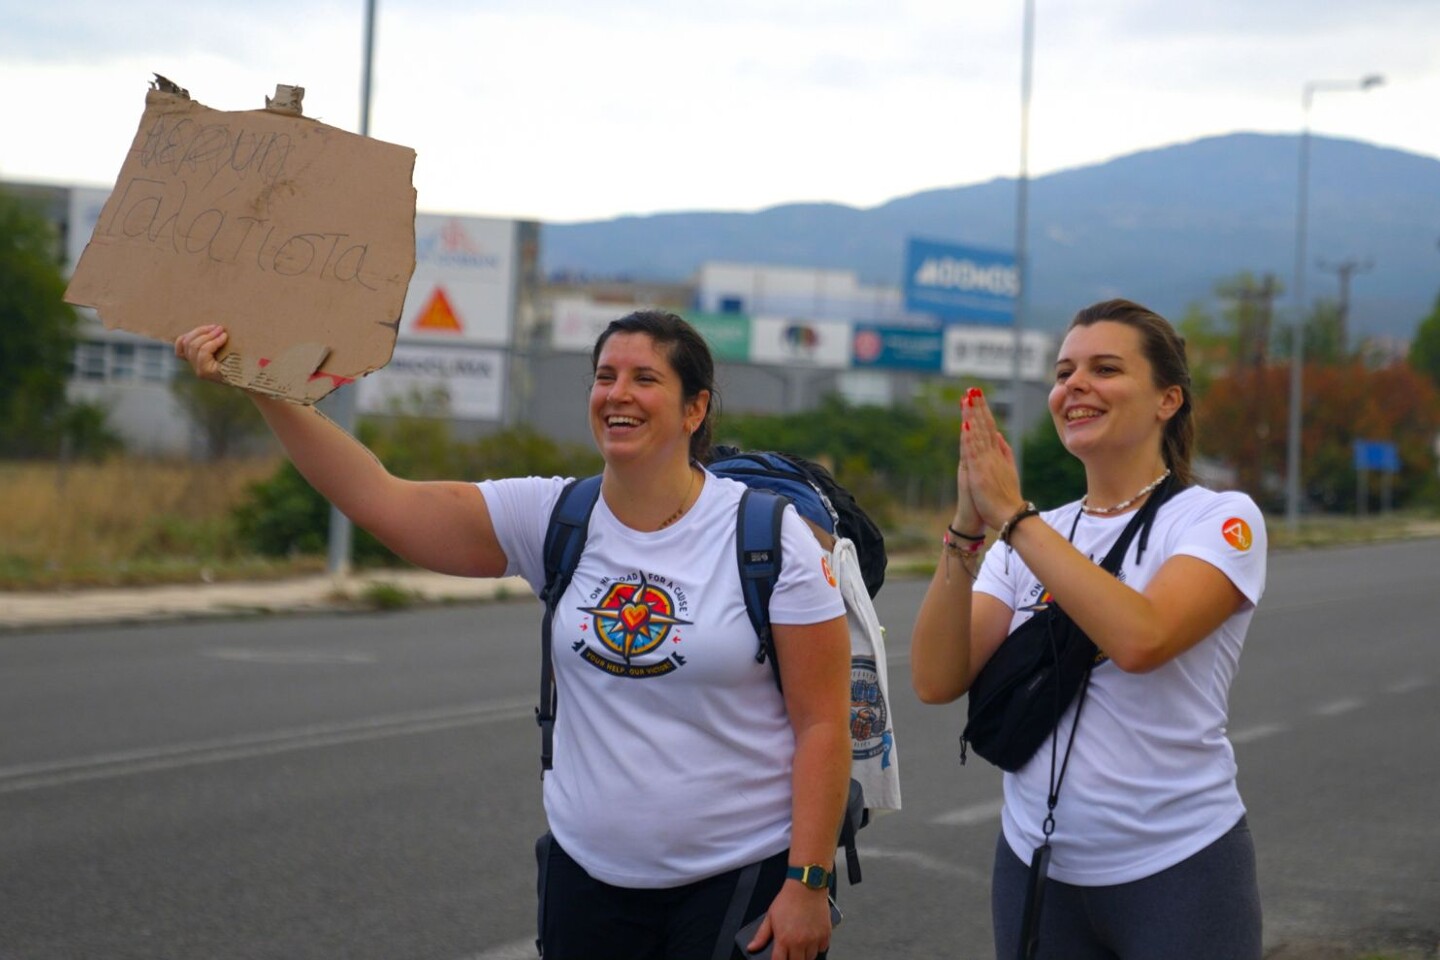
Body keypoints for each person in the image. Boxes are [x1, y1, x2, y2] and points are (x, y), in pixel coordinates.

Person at [175, 311, 852, 960]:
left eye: (645, 379)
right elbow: (382, 498)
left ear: (694, 409)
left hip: (737, 878)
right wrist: (263, 389)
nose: (618, 393)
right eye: (605, 376)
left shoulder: (768, 539)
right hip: (588, 880)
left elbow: (823, 724)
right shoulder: (554, 516)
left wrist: (808, 882)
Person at [910, 298, 1267, 959]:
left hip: (1180, 866)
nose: (1075, 386)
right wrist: (967, 527)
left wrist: (1013, 517)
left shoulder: (1215, 519)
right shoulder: (1034, 533)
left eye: (1105, 369)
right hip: (1035, 864)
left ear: (1167, 400)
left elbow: (1142, 639)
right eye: (1063, 372)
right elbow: (936, 679)